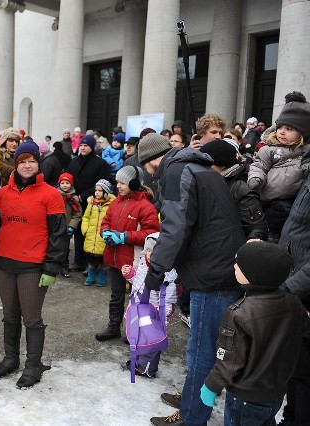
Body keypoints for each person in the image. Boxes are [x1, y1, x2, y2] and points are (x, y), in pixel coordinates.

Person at [136, 133, 245, 426]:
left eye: (146, 167)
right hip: (221, 265)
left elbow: (176, 226)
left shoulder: (175, 171)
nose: (148, 174)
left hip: (212, 272)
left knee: (202, 349)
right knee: (204, 346)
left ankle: (191, 416)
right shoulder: (198, 167)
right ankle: (192, 397)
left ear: (151, 161)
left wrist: (155, 270)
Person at [0, 140, 66, 388]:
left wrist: (51, 268)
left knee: (31, 319)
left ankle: (33, 365)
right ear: (15, 165)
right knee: (9, 316)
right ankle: (11, 359)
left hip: (33, 267)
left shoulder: (51, 195)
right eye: (22, 162)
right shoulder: (4, 193)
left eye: (31, 161)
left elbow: (59, 236)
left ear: (38, 164)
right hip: (5, 264)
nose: (27, 165)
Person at [199, 241, 305, 425]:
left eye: (239, 264)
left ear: (254, 275)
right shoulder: (293, 303)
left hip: (245, 398)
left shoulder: (239, 313)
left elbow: (228, 361)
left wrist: (211, 386)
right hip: (275, 393)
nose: (234, 266)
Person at [94, 165, 160, 341]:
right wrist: (105, 232)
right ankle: (113, 326)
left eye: (122, 183)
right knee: (116, 296)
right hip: (116, 259)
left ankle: (135, 330)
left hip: (135, 262)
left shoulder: (146, 207)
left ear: (134, 182)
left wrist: (124, 237)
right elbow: (106, 221)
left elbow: (150, 234)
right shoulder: (116, 202)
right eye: (117, 182)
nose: (118, 186)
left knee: (137, 299)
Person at [247, 95, 310, 242]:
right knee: (272, 233)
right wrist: (256, 178)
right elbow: (259, 165)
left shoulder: (305, 152)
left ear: (303, 133)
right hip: (269, 199)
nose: (281, 132)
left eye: (288, 129)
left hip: (293, 201)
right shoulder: (269, 149)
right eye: (280, 127)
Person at [121, 232, 178, 378]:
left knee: (150, 341)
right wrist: (130, 275)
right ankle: (138, 361)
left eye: (154, 252)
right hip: (138, 309)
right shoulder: (142, 265)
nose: (149, 254)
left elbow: (169, 297)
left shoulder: (168, 274)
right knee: (139, 337)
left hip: (154, 313)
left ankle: (146, 368)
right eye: (148, 250)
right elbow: (138, 282)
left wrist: (163, 316)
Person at [277, 174, 310, 426]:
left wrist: (290, 287)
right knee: (295, 368)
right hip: (295, 283)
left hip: (302, 290)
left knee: (303, 375)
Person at [200, 140, 268, 241]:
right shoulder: (208, 182)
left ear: (222, 165)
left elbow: (255, 226)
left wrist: (254, 238)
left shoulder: (240, 189)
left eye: (207, 165)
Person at [66, 135, 110, 272]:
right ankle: (78, 261)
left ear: (92, 147)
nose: (83, 148)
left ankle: (90, 264)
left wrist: (83, 196)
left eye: (86, 145)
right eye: (81, 145)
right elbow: (67, 178)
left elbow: (102, 183)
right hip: (73, 203)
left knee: (89, 232)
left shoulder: (100, 164)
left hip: (91, 203)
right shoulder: (74, 161)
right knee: (77, 232)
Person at [81, 179, 115, 286]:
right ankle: (91, 276)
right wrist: (85, 230)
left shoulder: (111, 205)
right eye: (96, 190)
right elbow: (86, 217)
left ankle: (102, 276)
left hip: (103, 236)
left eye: (100, 191)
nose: (96, 192)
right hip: (91, 235)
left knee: (104, 259)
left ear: (106, 192)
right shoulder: (91, 203)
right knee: (91, 258)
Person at [56, 173, 82, 278]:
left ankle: (64, 266)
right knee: (55, 246)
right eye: (62, 183)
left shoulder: (74, 198)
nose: (65, 185)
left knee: (65, 247)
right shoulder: (55, 195)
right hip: (56, 226)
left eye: (67, 183)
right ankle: (54, 265)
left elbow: (78, 213)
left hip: (67, 227)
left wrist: (72, 226)